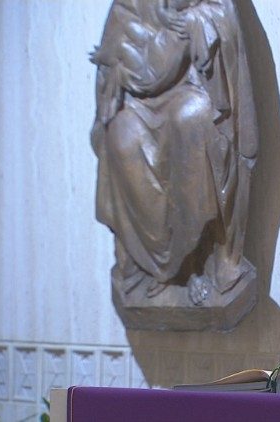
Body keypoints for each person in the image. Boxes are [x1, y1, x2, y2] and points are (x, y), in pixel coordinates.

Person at [90, 0, 257, 302]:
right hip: (139, 100)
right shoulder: (128, 5)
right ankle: (154, 266)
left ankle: (198, 260)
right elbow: (111, 55)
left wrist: (197, 22)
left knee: (191, 119)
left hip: (192, 88)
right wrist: (113, 77)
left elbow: (225, 18)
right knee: (120, 137)